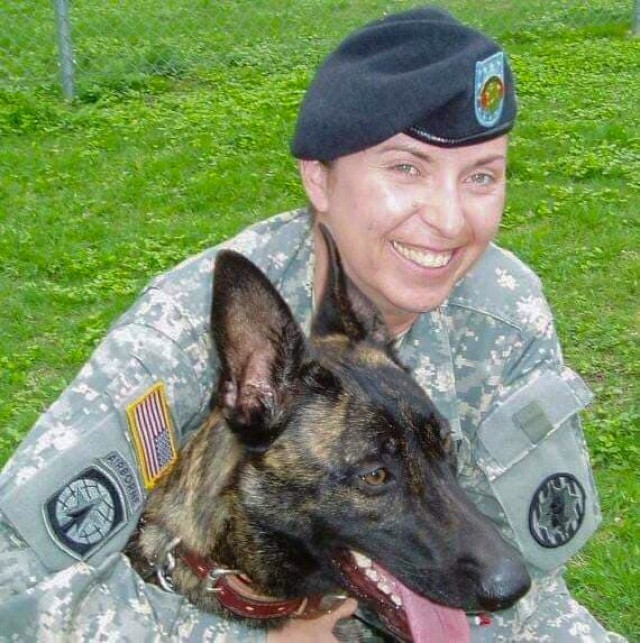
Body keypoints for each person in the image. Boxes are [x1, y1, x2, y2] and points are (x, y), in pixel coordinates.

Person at [0, 6, 627, 642]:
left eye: (482, 176)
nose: (450, 219)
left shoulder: (501, 305)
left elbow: (517, 586)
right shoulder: (183, 331)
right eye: (406, 168)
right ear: (318, 179)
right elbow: (10, 582)